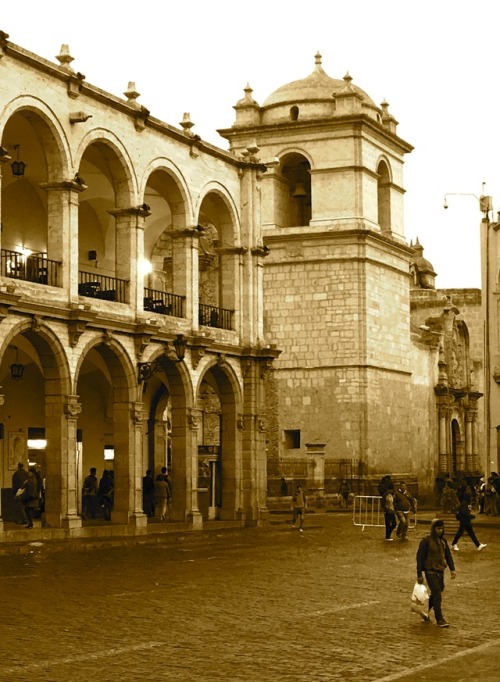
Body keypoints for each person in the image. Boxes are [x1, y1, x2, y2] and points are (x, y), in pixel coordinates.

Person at [416, 518, 456, 627]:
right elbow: (419, 558)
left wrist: (452, 569)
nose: (440, 531)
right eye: (438, 528)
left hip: (440, 570)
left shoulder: (443, 541)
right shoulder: (426, 541)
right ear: (433, 529)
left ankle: (425, 611)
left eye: (442, 529)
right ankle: (439, 618)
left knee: (438, 591)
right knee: (437, 592)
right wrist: (419, 574)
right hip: (430, 571)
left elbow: (448, 555)